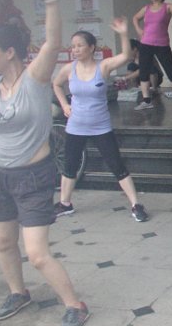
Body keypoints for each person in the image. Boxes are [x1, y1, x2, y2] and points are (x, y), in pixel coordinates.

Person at [0, 0, 90, 326]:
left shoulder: (35, 78)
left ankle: (75, 305)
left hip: (32, 176)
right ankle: (18, 292)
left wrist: (53, 2)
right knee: (1, 240)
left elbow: (53, 43)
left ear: (9, 52)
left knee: (37, 253)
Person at [51, 19, 149, 222]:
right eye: (73, 46)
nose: (75, 49)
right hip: (76, 126)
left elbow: (125, 56)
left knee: (117, 166)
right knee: (69, 166)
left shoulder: (103, 67)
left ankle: (135, 205)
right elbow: (56, 85)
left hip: (100, 127)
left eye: (79, 45)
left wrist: (123, 34)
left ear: (91, 47)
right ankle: (65, 204)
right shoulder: (69, 69)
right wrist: (65, 105)